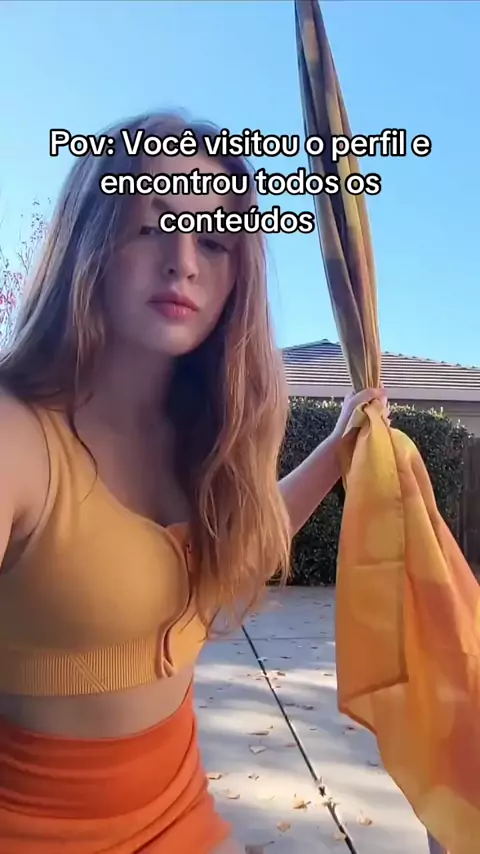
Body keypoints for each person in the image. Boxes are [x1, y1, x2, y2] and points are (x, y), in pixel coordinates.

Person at [0, 111, 386, 854]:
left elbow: (238, 547)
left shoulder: (206, 439)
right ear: (89, 237)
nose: (183, 261)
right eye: (153, 226)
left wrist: (339, 452)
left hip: (183, 817)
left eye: (214, 240)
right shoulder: (15, 435)